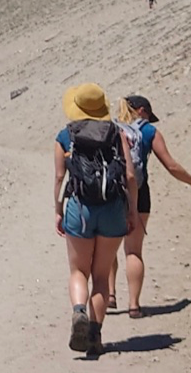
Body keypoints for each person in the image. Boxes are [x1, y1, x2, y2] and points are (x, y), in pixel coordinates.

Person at [53, 82, 136, 356]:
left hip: (80, 207)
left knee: (79, 271)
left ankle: (79, 312)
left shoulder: (65, 136)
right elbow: (131, 177)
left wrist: (58, 210)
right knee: (101, 275)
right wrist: (132, 211)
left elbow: (58, 178)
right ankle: (95, 335)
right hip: (112, 208)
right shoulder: (117, 133)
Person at [116, 94, 191, 318]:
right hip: (139, 193)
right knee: (133, 251)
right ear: (141, 110)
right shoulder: (149, 132)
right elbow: (171, 165)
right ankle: (134, 305)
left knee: (109, 247)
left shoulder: (112, 130)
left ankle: (109, 295)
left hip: (111, 193)